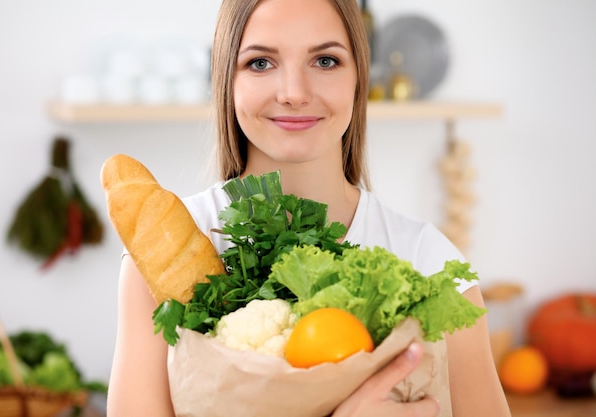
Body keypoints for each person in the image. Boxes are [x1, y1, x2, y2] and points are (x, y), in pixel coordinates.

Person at [107, 0, 511, 416]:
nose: (295, 93)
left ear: (360, 77)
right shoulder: (161, 255)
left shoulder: (427, 260)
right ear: (226, 80)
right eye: (261, 63)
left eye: (325, 60)